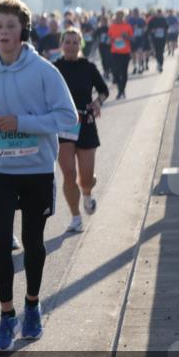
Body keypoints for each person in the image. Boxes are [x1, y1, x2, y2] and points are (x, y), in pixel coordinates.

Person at [0, 0, 77, 352]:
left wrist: (24, 124)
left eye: (10, 26)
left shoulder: (45, 70)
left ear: (23, 30)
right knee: (0, 243)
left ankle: (32, 304)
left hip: (36, 170)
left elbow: (68, 118)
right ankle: (6, 315)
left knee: (33, 241)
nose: (2, 33)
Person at [54, 28, 109, 232]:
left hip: (85, 124)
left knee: (86, 178)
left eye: (75, 42)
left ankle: (87, 193)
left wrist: (97, 103)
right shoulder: (54, 68)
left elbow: (104, 90)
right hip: (63, 125)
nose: (70, 46)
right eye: (67, 42)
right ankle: (75, 217)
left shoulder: (88, 67)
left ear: (80, 45)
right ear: (61, 44)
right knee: (68, 174)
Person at [107, 10, 134, 99]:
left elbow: (132, 39)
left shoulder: (127, 26)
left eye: (121, 16)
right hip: (115, 52)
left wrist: (127, 36)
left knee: (124, 72)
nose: (119, 17)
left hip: (125, 52)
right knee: (116, 72)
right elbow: (109, 39)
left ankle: (122, 91)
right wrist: (112, 40)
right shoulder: (112, 27)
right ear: (116, 16)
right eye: (118, 16)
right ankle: (120, 90)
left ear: (123, 17)